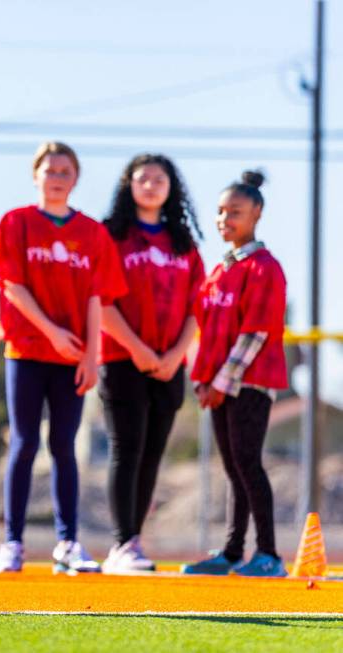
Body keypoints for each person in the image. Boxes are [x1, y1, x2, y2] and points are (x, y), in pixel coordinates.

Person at [0, 141, 127, 575]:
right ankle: (13, 543)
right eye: (50, 168)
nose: (58, 175)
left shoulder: (92, 233)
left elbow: (98, 298)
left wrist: (91, 356)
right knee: (24, 443)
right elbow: (11, 285)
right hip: (27, 350)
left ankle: (67, 542)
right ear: (36, 174)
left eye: (66, 169)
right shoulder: (17, 222)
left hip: (73, 356)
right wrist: (53, 332)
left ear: (75, 178)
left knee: (64, 446)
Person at [98, 154, 204, 573]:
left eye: (160, 179)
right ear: (129, 185)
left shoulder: (184, 244)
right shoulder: (111, 236)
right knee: (127, 449)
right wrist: (139, 350)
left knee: (152, 455)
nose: (151, 185)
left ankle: (133, 541)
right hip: (123, 359)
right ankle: (122, 544)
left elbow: (198, 305)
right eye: (142, 178)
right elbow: (100, 300)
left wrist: (175, 355)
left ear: (171, 187)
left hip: (169, 364)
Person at [182, 170, 288, 578]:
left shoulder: (264, 268)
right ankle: (230, 551)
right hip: (219, 387)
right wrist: (202, 381)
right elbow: (205, 334)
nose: (225, 219)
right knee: (233, 468)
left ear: (257, 213)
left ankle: (269, 554)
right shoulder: (219, 272)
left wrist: (223, 383)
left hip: (250, 383)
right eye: (221, 212)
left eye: (236, 212)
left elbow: (256, 332)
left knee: (247, 462)